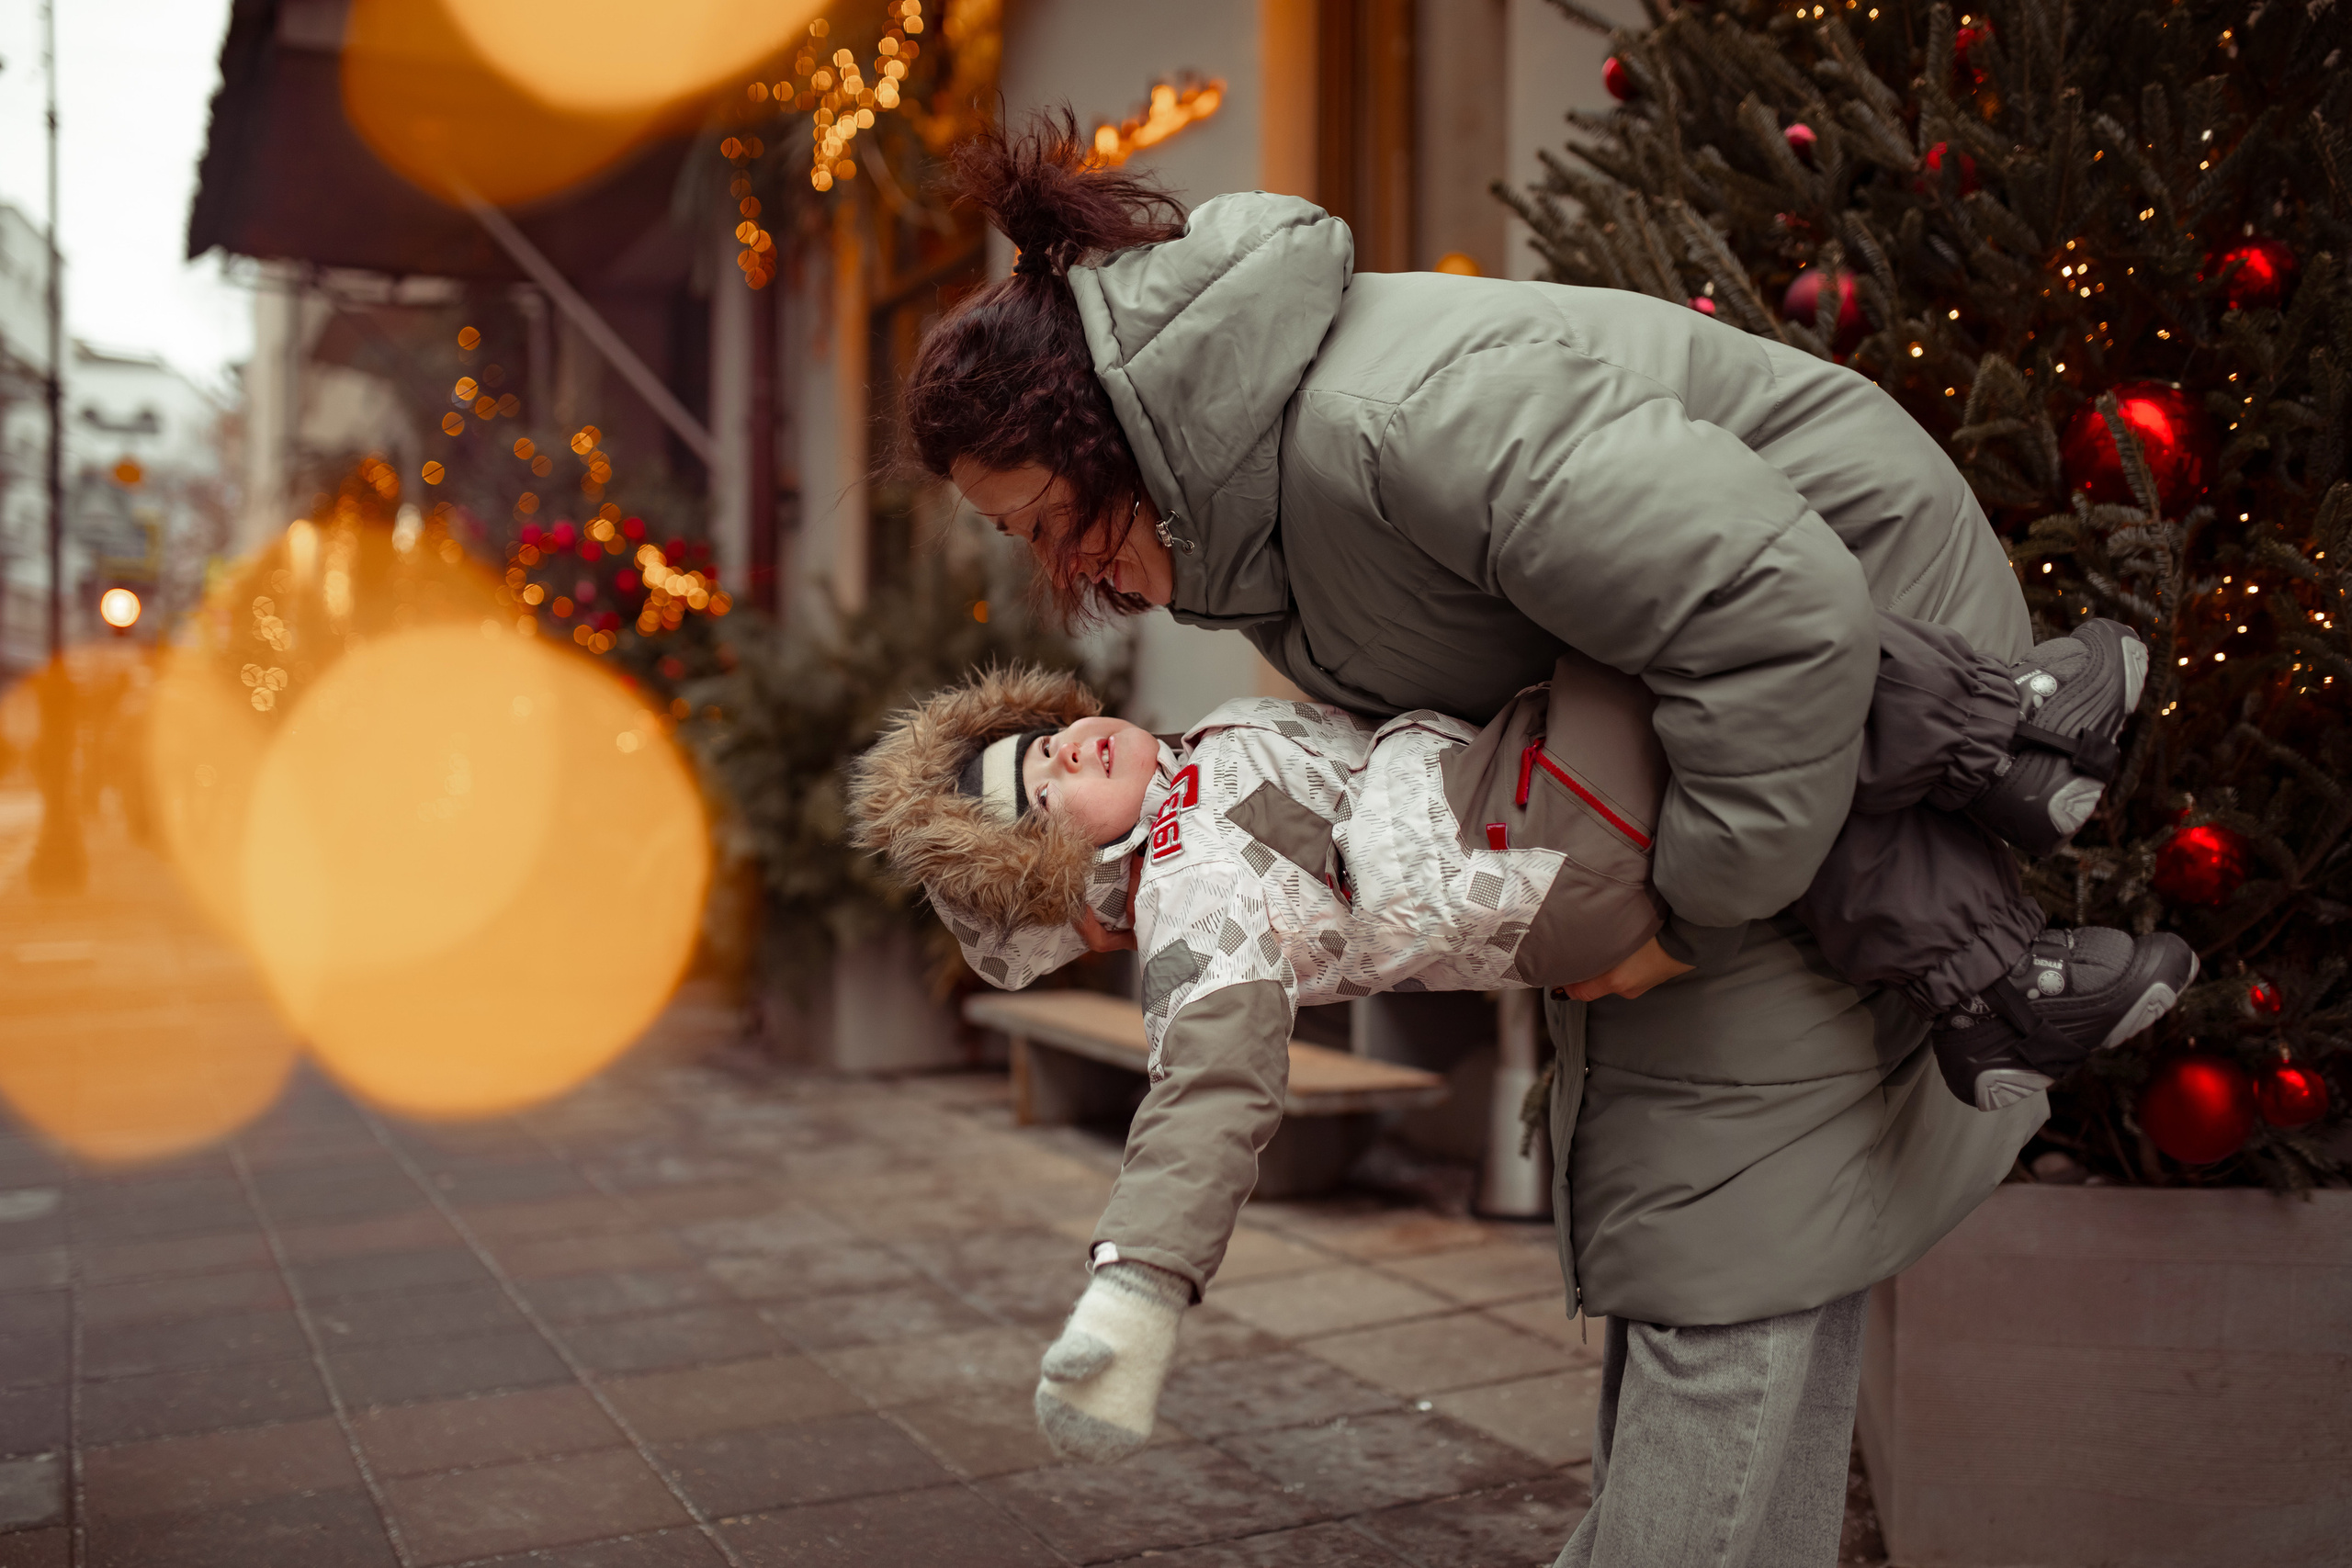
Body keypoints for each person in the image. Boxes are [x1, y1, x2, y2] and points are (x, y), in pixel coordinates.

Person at [895, 110, 2086, 1565]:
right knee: (1713, 1211)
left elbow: (1769, 612)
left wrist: (1682, 915)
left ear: (1103, 438)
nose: (1051, 569)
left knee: (1728, 1222)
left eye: (1039, 521)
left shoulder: (1383, 421)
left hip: (1850, 679)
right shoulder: (1247, 505)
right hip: (1699, 728)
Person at [848, 615, 2191, 1462]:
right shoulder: (1193, 892)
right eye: (1038, 793)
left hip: (1524, 824)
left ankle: (2003, 984)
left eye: (1041, 738)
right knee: (1693, 633)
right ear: (1064, 888)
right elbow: (1206, 1088)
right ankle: (2004, 718)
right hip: (1526, 840)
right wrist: (1135, 1293)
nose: (1064, 749)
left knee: (1789, 806)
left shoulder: (1198, 758)